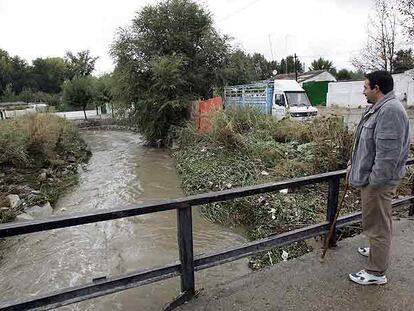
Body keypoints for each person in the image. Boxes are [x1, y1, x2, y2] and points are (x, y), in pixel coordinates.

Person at [347, 70, 410, 285]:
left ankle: (375, 272)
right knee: (376, 221)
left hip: (379, 183)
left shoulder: (390, 111)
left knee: (377, 225)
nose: (363, 91)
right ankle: (376, 251)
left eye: (365, 87)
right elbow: (368, 145)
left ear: (377, 88)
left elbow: (388, 155)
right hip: (374, 180)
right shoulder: (378, 108)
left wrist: (374, 182)